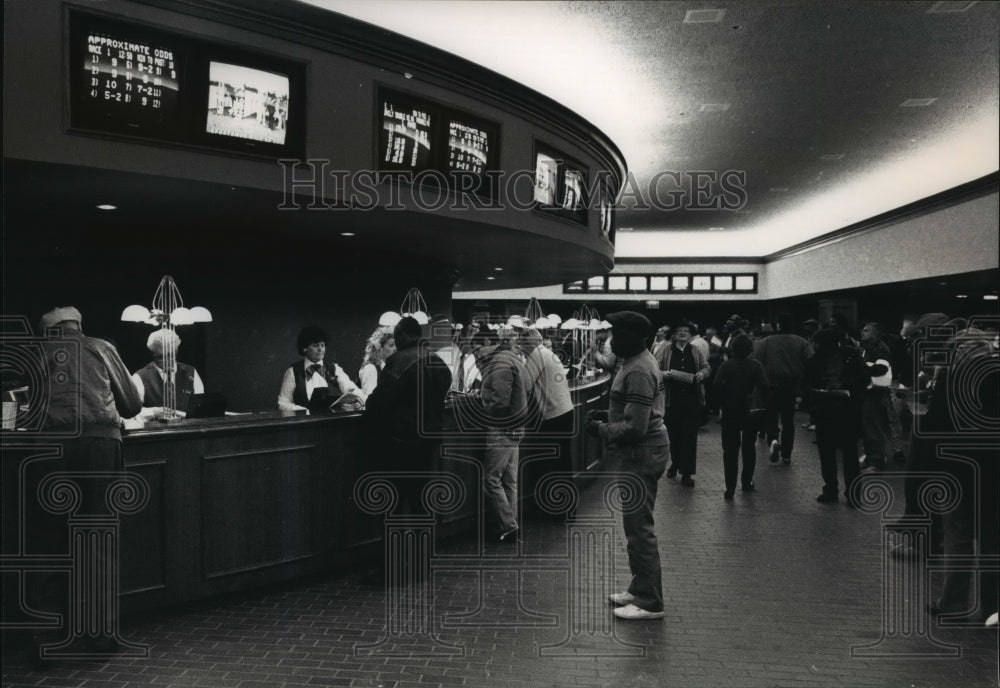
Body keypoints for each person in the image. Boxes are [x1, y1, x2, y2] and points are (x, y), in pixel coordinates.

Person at [28, 307, 143, 659]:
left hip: (50, 451)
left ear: (49, 332)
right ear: (78, 326)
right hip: (99, 447)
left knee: (48, 544)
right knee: (98, 542)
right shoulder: (102, 347)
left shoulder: (36, 355)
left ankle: (47, 640)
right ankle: (99, 638)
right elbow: (131, 405)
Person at [585, 311, 668, 620]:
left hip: (641, 453)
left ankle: (650, 601)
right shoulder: (635, 363)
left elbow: (637, 427)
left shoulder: (639, 369)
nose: (613, 341)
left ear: (638, 338)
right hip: (643, 451)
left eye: (618, 335)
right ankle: (640, 587)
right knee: (635, 527)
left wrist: (601, 429)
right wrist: (609, 420)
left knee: (639, 529)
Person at [475, 336, 533, 543]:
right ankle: (510, 526)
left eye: (477, 350)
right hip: (516, 425)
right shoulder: (510, 357)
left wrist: (483, 410)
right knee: (510, 480)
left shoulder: (499, 363)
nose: (475, 355)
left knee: (491, 480)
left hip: (502, 427)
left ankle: (509, 525)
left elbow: (500, 401)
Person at [806, 326, 871, 504]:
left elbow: (808, 384)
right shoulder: (850, 354)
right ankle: (851, 493)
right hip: (845, 410)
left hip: (830, 410)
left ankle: (832, 490)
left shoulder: (816, 359)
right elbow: (865, 376)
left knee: (829, 453)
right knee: (848, 454)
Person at [520, 328, 574, 514]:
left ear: (530, 343)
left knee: (552, 466)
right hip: (565, 412)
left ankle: (555, 511)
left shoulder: (536, 355)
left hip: (554, 416)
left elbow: (524, 384)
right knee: (563, 463)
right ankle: (567, 509)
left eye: (522, 343)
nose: (520, 348)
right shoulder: (546, 352)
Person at [751, 312, 812, 465]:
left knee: (771, 417)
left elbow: (755, 362)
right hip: (791, 386)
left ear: (778, 325)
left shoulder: (766, 342)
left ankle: (772, 439)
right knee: (788, 421)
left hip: (769, 386)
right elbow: (811, 364)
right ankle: (786, 454)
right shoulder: (802, 342)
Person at [713, 334, 769, 499]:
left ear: (733, 349)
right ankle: (746, 481)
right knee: (749, 448)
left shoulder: (726, 365)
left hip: (730, 412)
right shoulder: (756, 365)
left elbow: (716, 386)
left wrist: (721, 405)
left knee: (730, 451)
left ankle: (730, 487)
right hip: (750, 412)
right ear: (750, 349)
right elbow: (765, 387)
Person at [656, 319, 710, 487]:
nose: (682, 333)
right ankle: (676, 462)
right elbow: (655, 369)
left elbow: (706, 367)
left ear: (690, 334)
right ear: (674, 334)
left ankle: (687, 473)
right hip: (671, 401)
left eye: (685, 331)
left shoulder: (695, 350)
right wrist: (665, 374)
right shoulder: (665, 350)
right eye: (679, 330)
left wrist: (702, 373)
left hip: (692, 399)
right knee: (673, 436)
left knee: (689, 437)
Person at [277, 325, 365, 411]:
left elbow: (351, 388)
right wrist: (304, 411)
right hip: (305, 423)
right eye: (315, 345)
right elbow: (283, 403)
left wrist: (360, 399)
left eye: (322, 345)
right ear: (304, 348)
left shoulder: (334, 368)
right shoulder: (293, 372)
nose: (320, 349)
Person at [131, 328, 204, 414]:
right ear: (152, 354)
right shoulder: (139, 377)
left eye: (170, 355)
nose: (166, 360)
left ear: (176, 351)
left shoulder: (191, 372)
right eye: (160, 357)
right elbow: (132, 411)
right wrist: (154, 412)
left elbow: (200, 405)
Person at [857, 322, 893, 471]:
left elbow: (881, 368)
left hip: (874, 392)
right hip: (867, 391)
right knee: (866, 426)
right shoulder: (866, 347)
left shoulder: (880, 349)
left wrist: (862, 369)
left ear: (876, 333)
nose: (862, 332)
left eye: (866, 331)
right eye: (862, 330)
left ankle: (876, 461)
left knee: (872, 427)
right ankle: (870, 457)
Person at [358, 325, 395, 396]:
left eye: (396, 345)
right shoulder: (370, 369)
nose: (395, 349)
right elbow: (369, 400)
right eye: (391, 345)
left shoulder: (384, 367)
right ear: (379, 348)